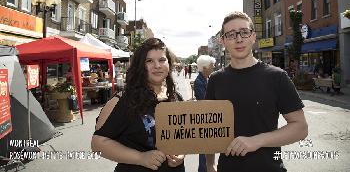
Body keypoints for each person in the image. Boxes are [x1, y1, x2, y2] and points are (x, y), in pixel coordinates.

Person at [205, 11, 308, 172]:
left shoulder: (277, 76)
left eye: (244, 32)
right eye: (231, 34)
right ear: (223, 41)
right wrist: (209, 165)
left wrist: (257, 141)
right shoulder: (215, 80)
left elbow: (300, 128)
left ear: (253, 37)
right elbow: (208, 128)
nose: (239, 39)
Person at [91, 38, 185, 172]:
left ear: (169, 64)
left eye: (162, 60)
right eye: (149, 61)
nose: (157, 65)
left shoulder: (176, 98)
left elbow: (183, 136)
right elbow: (98, 144)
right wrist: (140, 157)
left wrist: (181, 154)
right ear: (141, 66)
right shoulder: (123, 100)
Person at [194, 55, 216, 172]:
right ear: (205, 67)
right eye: (212, 66)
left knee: (209, 148)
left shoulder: (206, 79)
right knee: (205, 149)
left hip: (209, 118)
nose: (213, 67)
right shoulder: (199, 81)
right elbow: (204, 100)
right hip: (204, 118)